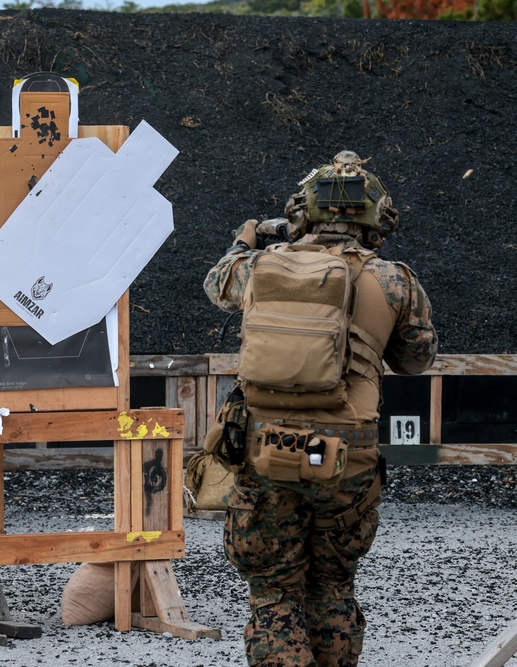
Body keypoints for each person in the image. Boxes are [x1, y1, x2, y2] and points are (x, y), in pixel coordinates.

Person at [203, 150, 438, 667]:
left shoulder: (259, 267)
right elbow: (417, 360)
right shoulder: (396, 280)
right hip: (348, 455)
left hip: (268, 448)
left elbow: (216, 281)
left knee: (273, 593)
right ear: (378, 219)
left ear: (301, 211)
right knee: (332, 587)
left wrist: (248, 236)